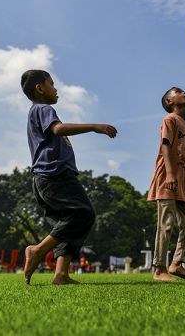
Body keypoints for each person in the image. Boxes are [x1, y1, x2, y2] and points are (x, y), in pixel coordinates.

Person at [20, 70, 117, 285]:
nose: (56, 89)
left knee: (67, 227)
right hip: (55, 175)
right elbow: (59, 129)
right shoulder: (43, 109)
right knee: (83, 214)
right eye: (52, 84)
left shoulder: (36, 111)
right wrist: (94, 127)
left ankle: (61, 274)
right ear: (40, 88)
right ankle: (37, 250)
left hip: (44, 179)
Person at [147, 87, 185, 282]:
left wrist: (184, 179)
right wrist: (170, 174)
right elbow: (166, 145)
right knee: (166, 224)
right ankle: (159, 269)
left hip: (184, 181)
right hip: (167, 177)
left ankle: (177, 263)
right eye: (179, 92)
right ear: (169, 102)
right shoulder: (169, 120)